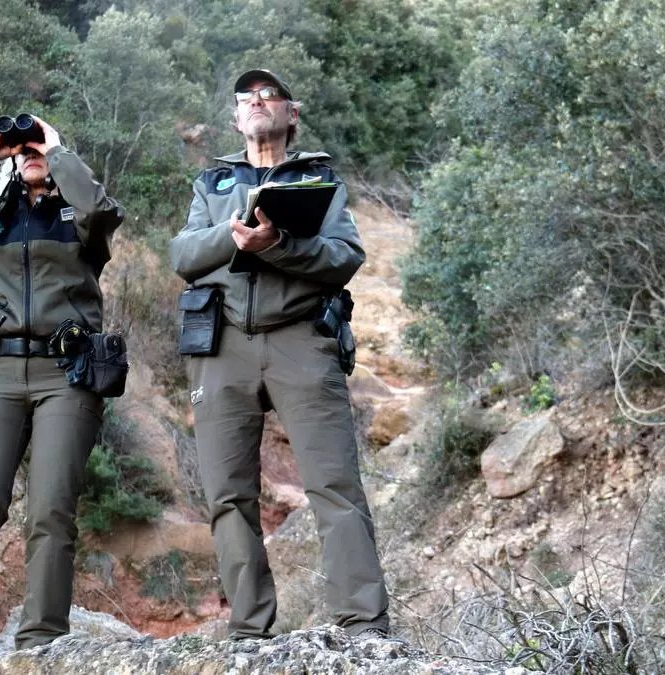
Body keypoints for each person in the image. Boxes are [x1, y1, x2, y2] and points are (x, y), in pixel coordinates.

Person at [169, 69, 393, 641]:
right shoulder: (212, 183)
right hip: (222, 345)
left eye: (269, 95)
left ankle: (363, 627)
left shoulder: (319, 179)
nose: (257, 102)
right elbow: (183, 255)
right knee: (227, 494)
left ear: (291, 115)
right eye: (246, 97)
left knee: (335, 485)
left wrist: (280, 246)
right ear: (234, 118)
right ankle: (249, 631)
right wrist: (235, 234)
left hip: (301, 337)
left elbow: (345, 257)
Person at [0, 115, 124, 648]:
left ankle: (41, 640)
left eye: (38, 147)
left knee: (50, 508)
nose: (29, 152)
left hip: (67, 372)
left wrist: (55, 150)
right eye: (23, 149)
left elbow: (102, 211)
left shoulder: (81, 219)